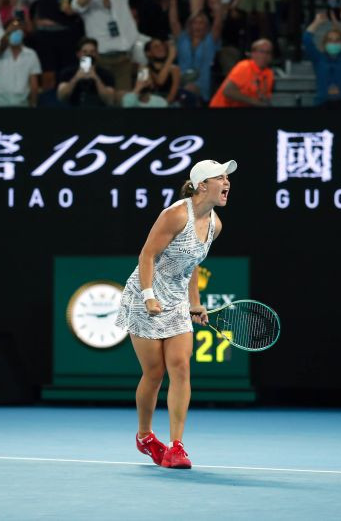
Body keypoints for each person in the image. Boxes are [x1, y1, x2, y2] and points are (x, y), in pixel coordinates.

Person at [115, 158, 234, 469]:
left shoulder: (215, 225)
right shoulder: (175, 215)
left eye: (227, 178)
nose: (227, 183)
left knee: (180, 368)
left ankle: (177, 445)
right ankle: (144, 436)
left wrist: (195, 302)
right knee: (154, 374)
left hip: (178, 300)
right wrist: (148, 296)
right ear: (201, 185)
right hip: (144, 296)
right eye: (220, 178)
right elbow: (147, 255)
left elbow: (191, 264)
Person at [303, 10, 341, 106]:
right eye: (330, 40)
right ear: (325, 43)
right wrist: (316, 22)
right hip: (321, 106)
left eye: (337, 40)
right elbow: (307, 39)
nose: (334, 43)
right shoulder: (318, 58)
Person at [0, 19, 41, 107]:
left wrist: (33, 103)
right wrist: (8, 33)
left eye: (18, 30)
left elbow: (34, 83)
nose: (16, 32)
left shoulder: (31, 54)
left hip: (21, 103)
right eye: (13, 30)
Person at [208, 38, 274, 108]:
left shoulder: (269, 74)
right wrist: (255, 102)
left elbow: (265, 97)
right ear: (253, 54)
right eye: (261, 52)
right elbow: (228, 91)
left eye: (268, 53)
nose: (265, 56)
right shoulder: (244, 67)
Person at [56, 38, 116, 107]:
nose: (89, 55)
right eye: (85, 52)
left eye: (92, 52)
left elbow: (109, 100)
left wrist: (96, 78)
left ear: (97, 54)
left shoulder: (106, 74)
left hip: (98, 112)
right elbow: (61, 96)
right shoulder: (68, 73)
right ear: (78, 54)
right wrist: (76, 78)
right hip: (73, 111)